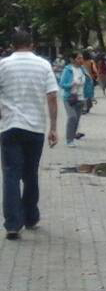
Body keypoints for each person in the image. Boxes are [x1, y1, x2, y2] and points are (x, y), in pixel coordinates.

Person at [0, 30, 59, 239]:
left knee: (10, 175)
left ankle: (13, 225)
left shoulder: (3, 65)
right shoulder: (43, 65)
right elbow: (52, 96)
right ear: (32, 44)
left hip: (9, 128)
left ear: (12, 45)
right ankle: (31, 217)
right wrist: (53, 127)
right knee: (30, 174)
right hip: (35, 129)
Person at [58, 52, 91, 149]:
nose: (81, 60)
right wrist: (72, 84)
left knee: (76, 119)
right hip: (69, 98)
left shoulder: (82, 69)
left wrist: (89, 95)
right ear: (73, 60)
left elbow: (88, 82)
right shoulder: (68, 70)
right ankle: (69, 140)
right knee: (72, 117)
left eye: (82, 58)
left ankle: (72, 137)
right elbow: (62, 84)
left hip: (80, 98)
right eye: (78, 58)